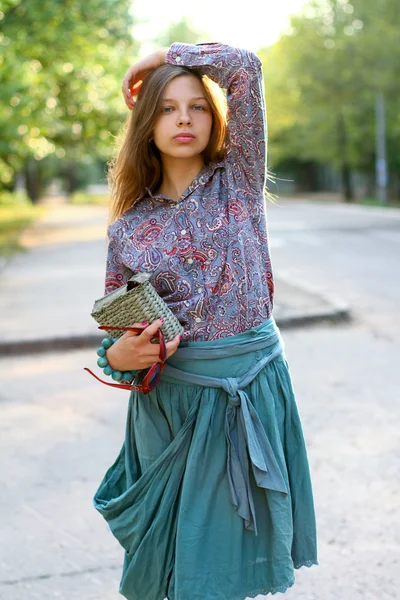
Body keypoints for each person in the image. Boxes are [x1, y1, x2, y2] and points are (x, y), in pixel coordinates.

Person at [92, 42, 318, 600]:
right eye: (167, 107)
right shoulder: (128, 229)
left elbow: (245, 67)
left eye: (196, 105)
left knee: (218, 569)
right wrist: (116, 360)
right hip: (168, 409)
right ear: (147, 123)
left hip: (247, 394)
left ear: (214, 119)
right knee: (179, 565)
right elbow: (119, 338)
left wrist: (159, 56)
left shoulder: (238, 180)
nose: (184, 118)